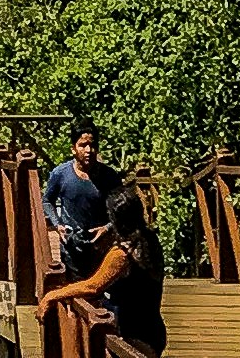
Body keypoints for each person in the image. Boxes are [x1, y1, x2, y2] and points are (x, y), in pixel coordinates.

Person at [32, 180, 165, 353]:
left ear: (114, 218)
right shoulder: (150, 240)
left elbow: (93, 286)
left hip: (132, 335)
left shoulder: (122, 253)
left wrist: (52, 295)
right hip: (153, 330)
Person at [42, 126, 115, 278]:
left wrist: (107, 228)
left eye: (92, 145)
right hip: (71, 244)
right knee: (74, 290)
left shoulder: (109, 176)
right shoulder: (60, 174)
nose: (88, 150)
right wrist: (57, 225)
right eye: (82, 145)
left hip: (100, 245)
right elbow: (47, 201)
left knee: (99, 290)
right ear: (73, 149)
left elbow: (121, 209)